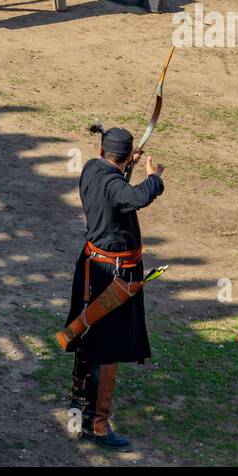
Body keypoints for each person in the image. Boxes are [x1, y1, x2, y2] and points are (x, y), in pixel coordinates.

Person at [64, 126, 166, 450]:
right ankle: (97, 425)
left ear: (100, 151)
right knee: (107, 348)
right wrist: (155, 177)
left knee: (86, 335)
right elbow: (134, 197)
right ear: (124, 159)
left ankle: (78, 406)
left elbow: (115, 185)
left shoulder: (92, 169)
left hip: (92, 267)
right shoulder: (115, 186)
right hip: (113, 276)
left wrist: (126, 163)